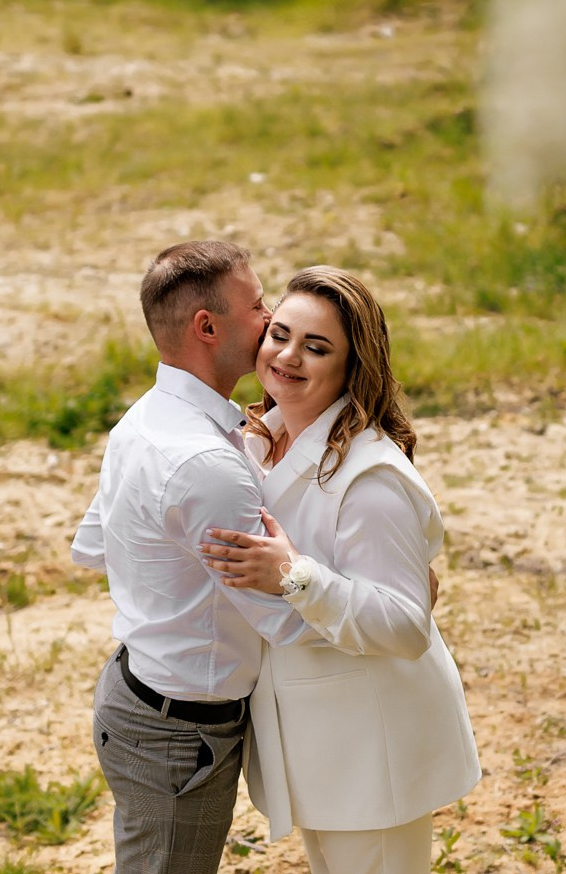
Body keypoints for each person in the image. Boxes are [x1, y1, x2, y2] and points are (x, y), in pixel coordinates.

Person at [199, 266, 482, 874]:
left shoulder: (369, 477)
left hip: (374, 752)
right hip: (316, 743)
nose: (289, 356)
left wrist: (294, 576)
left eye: (317, 347)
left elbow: (407, 625)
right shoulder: (254, 443)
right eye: (280, 334)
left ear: (353, 368)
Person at [70, 239, 307, 874]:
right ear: (207, 326)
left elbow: (94, 544)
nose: (272, 318)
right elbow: (287, 622)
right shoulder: (204, 463)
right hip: (180, 737)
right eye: (257, 305)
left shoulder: (144, 422)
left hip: (137, 693)